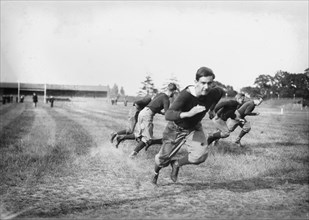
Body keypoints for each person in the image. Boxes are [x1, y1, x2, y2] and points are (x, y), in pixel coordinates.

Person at [151, 67, 225, 185]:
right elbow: (168, 114)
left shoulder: (214, 91)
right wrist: (189, 113)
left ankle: (176, 164)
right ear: (196, 82)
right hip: (175, 129)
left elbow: (220, 93)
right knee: (162, 160)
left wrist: (212, 110)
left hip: (194, 128)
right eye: (203, 83)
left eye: (210, 83)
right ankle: (155, 174)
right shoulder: (185, 95)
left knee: (200, 156)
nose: (206, 87)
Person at [121, 83, 178, 158]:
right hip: (147, 115)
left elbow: (153, 106)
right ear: (173, 91)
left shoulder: (160, 94)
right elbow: (167, 114)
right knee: (147, 138)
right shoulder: (166, 99)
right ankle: (133, 154)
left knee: (138, 134)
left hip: (143, 112)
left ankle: (121, 137)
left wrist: (160, 112)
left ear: (167, 88)